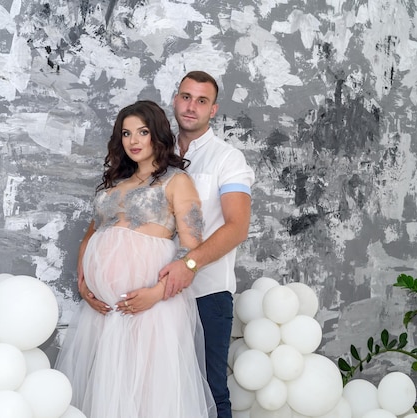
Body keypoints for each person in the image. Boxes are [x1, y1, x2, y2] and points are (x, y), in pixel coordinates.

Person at [55, 100, 216, 418]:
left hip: (152, 306)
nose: (134, 140)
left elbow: (192, 248)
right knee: (107, 388)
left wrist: (155, 294)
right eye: (126, 133)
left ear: (157, 134)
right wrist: (84, 280)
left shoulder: (176, 181)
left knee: (146, 392)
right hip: (104, 311)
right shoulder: (113, 185)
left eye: (142, 132)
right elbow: (92, 235)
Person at [158, 71, 255, 418]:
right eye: (186, 97)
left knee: (211, 392)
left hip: (206, 294)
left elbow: (237, 227)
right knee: (160, 388)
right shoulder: (154, 152)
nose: (191, 106)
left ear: (213, 110)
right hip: (156, 292)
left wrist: (190, 265)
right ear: (175, 100)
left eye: (202, 101)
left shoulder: (228, 160)